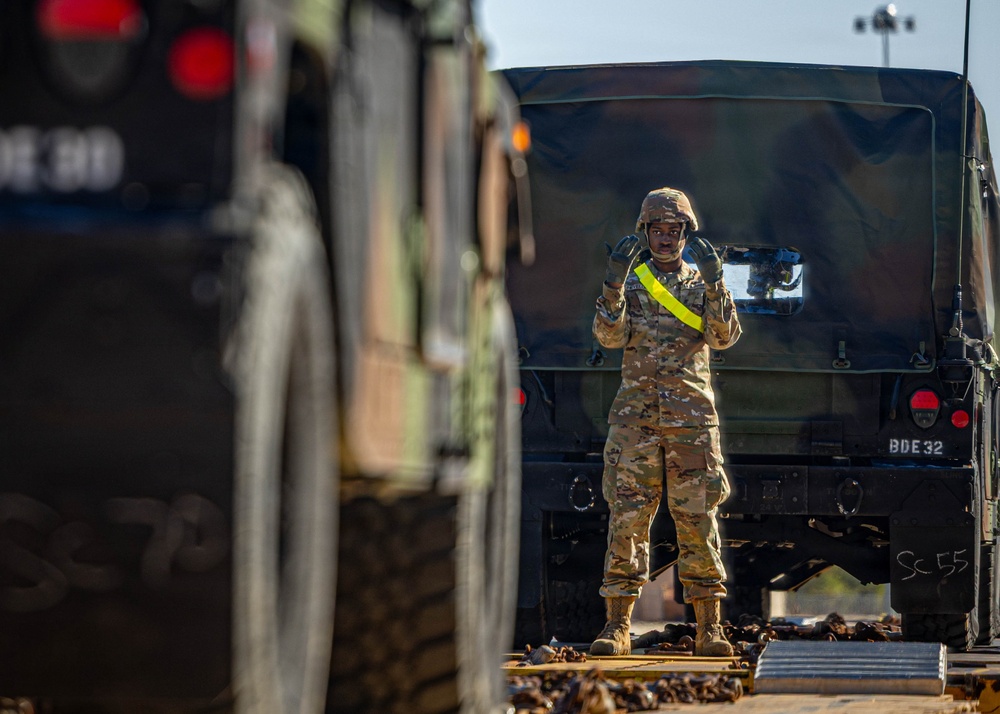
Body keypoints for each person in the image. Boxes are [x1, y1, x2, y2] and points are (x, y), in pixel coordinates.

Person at [590, 187, 742, 657]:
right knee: (627, 521)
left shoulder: (701, 286)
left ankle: (709, 629)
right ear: (645, 232)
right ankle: (617, 627)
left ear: (685, 234)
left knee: (698, 522)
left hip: (691, 422)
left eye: (673, 231)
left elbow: (724, 337)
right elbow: (608, 336)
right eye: (657, 230)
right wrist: (613, 285)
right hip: (636, 421)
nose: (665, 238)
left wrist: (717, 284)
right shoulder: (632, 285)